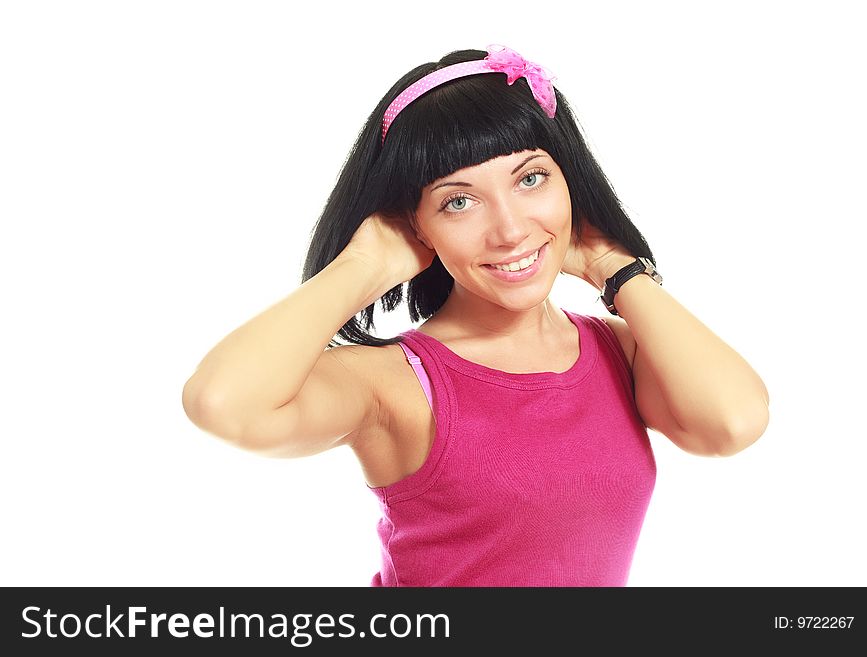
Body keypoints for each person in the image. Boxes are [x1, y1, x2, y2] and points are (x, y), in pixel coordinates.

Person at [182, 44, 770, 587]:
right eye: (457, 201)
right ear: (417, 226)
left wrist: (618, 271)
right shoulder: (394, 382)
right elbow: (222, 403)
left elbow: (733, 423)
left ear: (571, 183)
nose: (510, 229)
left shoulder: (622, 350)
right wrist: (362, 265)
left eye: (531, 178)